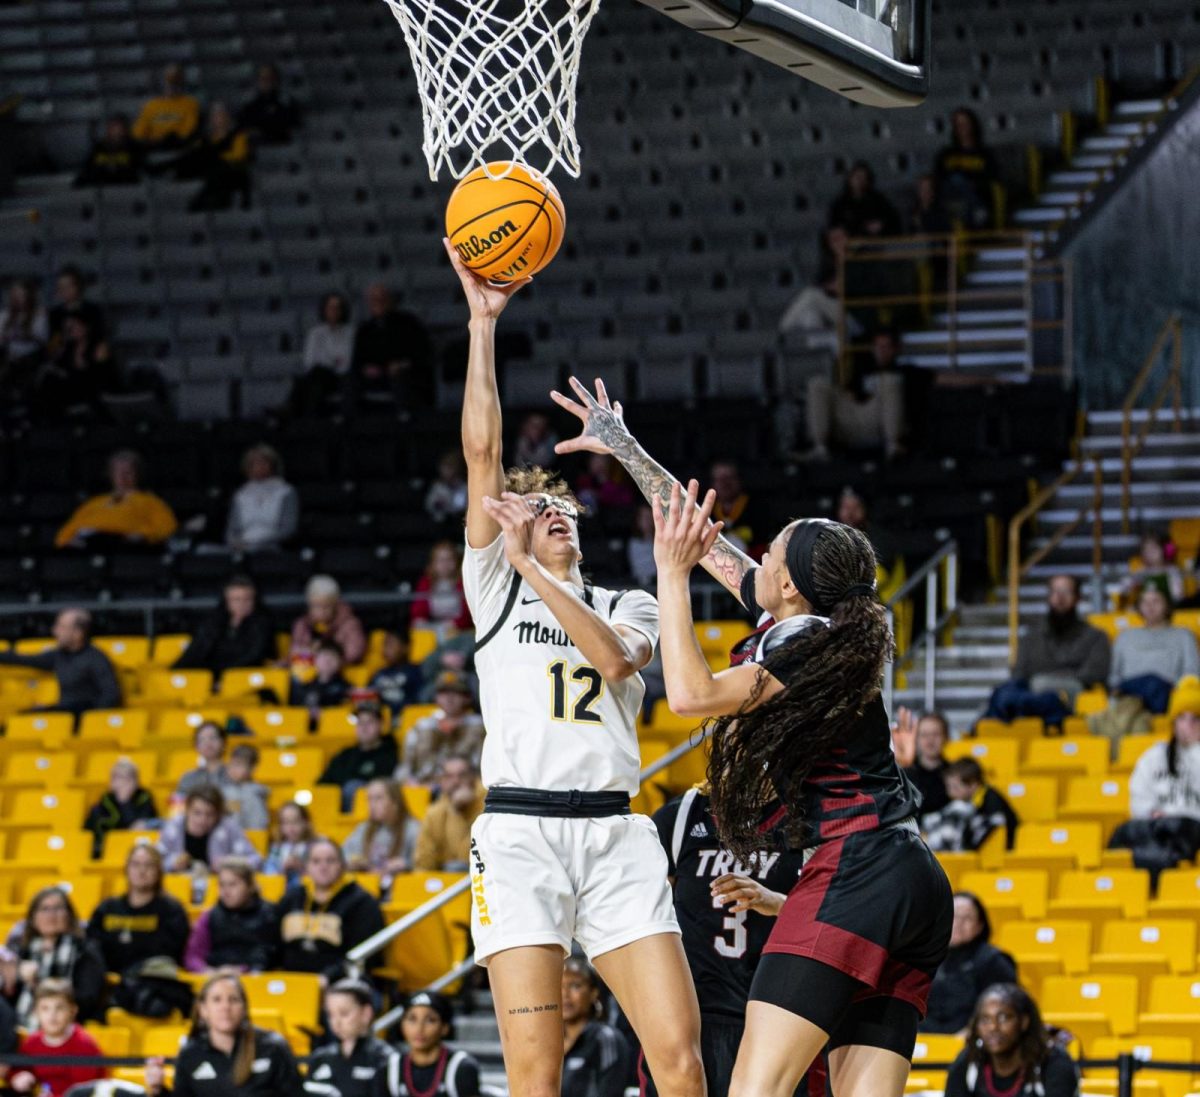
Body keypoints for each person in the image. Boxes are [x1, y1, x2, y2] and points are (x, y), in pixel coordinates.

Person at [550, 377, 953, 1096]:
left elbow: (693, 696)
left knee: (752, 1089)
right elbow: (698, 532)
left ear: (793, 586)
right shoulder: (807, 629)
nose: (755, 555)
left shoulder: (800, 651)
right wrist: (622, 445)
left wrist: (669, 578)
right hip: (911, 879)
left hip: (857, 867)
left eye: (771, 552)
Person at [446, 240, 704, 1097]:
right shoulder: (495, 584)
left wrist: (533, 569)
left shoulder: (631, 600)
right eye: (541, 507)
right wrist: (483, 326)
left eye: (567, 507)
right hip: (519, 836)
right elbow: (482, 457)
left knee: (677, 1055)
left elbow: (616, 654)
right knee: (534, 1071)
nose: (556, 512)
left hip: (615, 832)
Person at [651, 787, 805, 1097]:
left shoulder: (803, 817)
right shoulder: (681, 816)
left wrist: (775, 902)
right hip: (692, 1016)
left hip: (776, 1017)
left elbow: (836, 918)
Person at [143, 973, 304, 1097]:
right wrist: (158, 1090)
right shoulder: (190, 1054)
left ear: (244, 1008)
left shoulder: (273, 1047)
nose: (225, 1007)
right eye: (217, 1000)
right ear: (203, 1010)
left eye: (233, 1000)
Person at [985, 575, 1111, 728]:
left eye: (1066, 592)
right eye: (1054, 592)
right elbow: (1018, 672)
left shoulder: (1095, 636)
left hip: (1074, 691)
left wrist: (1049, 680)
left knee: (1025, 693)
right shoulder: (1031, 636)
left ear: (1078, 598)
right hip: (1031, 693)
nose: (1059, 598)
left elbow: (1094, 674)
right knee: (1003, 693)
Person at [1109, 676, 1200, 878]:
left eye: (1195, 719)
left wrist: (1195, 750)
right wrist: (1151, 814)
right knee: (1122, 833)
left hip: (1192, 826)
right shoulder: (1154, 756)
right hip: (1159, 826)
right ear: (1173, 722)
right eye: (1182, 718)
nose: (1188, 725)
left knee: (1181, 828)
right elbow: (1139, 795)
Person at [276, 839, 385, 984]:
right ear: (306, 867)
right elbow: (271, 942)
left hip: (343, 982)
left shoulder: (363, 902)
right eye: (316, 861)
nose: (323, 867)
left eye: (330, 861)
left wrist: (329, 977)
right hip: (291, 980)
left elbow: (362, 955)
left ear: (342, 865)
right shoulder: (292, 898)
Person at [943, 983, 1079, 1097]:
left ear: (1024, 1022)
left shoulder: (1053, 1061)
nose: (993, 1027)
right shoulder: (969, 1060)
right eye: (985, 1020)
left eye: (1004, 1018)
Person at [8, 887, 106, 1027]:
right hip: (18, 1025)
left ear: (69, 915)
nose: (51, 915)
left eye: (58, 908)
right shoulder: (22, 951)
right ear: (33, 918)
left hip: (67, 1028)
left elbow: (87, 1000)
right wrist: (16, 977)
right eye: (44, 909)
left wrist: (37, 983)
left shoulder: (86, 950)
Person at [922, 893, 1017, 1036]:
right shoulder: (924, 956)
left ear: (979, 925)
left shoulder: (993, 960)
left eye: (967, 918)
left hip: (974, 1040)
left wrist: (973, 1032)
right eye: (953, 915)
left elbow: (1006, 1007)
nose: (958, 923)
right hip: (922, 1040)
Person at [806, 329, 907, 462]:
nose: (881, 350)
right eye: (877, 346)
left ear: (895, 349)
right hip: (852, 419)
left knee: (889, 380)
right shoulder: (862, 368)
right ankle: (820, 447)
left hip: (880, 423)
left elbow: (938, 378)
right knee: (817, 383)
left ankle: (893, 445)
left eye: (886, 346)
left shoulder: (907, 370)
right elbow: (848, 393)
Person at [87, 845, 190, 975]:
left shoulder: (172, 911)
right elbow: (92, 946)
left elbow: (170, 954)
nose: (142, 871)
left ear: (158, 871)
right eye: (135, 864)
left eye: (149, 865)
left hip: (151, 981)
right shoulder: (107, 908)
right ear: (127, 869)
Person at [0, 609, 121, 718]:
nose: (55, 631)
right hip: (63, 713)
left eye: (61, 627)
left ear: (78, 632)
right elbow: (25, 659)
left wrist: (91, 719)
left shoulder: (95, 658)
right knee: (25, 717)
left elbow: (111, 694)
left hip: (84, 715)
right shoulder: (59, 656)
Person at [55, 449, 178, 551]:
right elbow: (64, 534)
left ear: (137, 474)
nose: (122, 476)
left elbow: (167, 528)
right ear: (110, 474)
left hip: (126, 547)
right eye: (117, 471)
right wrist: (69, 541)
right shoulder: (93, 503)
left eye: (128, 472)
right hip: (89, 546)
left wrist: (142, 535)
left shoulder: (151, 502)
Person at [374, 990, 483, 1097]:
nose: (419, 1029)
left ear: (445, 1027)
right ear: (402, 1025)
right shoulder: (389, 1068)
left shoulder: (462, 1067)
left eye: (430, 1020)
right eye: (412, 1019)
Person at [1109, 587, 1199, 715]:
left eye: (1156, 601)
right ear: (1139, 607)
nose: (1150, 606)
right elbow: (1114, 675)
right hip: (1130, 694)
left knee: (1153, 684)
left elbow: (1192, 672)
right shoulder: (1124, 636)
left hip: (1168, 692)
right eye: (1145, 602)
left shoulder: (1184, 635)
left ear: (1167, 605)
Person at [8, 980, 106, 1096]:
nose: (52, 1015)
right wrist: (19, 1076)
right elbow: (17, 1069)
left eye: (59, 1008)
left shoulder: (84, 1045)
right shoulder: (32, 1043)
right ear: (36, 1012)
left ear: (73, 1011)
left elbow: (85, 1090)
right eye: (45, 1008)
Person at [183, 859, 278, 974]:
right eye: (222, 885)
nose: (226, 891)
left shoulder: (269, 913)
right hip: (216, 979)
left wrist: (242, 970)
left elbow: (271, 955)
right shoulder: (210, 916)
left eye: (233, 884)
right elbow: (193, 956)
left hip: (256, 980)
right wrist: (209, 972)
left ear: (250, 886)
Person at [348, 283, 432, 411]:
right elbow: (357, 360)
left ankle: (405, 418)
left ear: (390, 300)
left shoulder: (409, 323)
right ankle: (347, 424)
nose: (378, 302)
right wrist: (366, 368)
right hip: (375, 377)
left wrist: (402, 365)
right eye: (374, 300)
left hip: (404, 374)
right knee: (350, 381)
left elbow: (422, 353)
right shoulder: (365, 329)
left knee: (401, 379)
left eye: (382, 298)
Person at [174, 576, 277, 678]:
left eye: (247, 599)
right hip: (211, 676)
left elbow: (255, 657)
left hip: (244, 676)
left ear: (255, 600)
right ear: (227, 601)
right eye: (236, 599)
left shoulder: (263, 624)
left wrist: (222, 676)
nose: (242, 604)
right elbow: (196, 651)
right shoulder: (213, 622)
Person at [394, 672, 484, 787]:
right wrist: (410, 783)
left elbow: (483, 769)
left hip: (465, 788)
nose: (449, 698)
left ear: (467, 698)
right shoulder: (422, 726)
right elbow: (405, 765)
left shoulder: (479, 726)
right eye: (443, 693)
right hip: (424, 787)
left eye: (456, 693)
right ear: (436, 697)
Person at [304, 979, 392, 1097]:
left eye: (344, 1013)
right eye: (330, 1014)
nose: (336, 1022)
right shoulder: (320, 1058)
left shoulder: (385, 1059)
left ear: (366, 1013)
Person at [560, 958, 634, 1097]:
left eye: (575, 986)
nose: (565, 995)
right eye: (558, 987)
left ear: (593, 992)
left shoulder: (606, 1039)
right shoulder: (549, 1044)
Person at [34, 311, 120, 420]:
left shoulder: (98, 346)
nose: (71, 330)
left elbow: (99, 374)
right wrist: (61, 340)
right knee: (47, 378)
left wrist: (79, 364)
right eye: (68, 328)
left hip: (94, 386)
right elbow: (51, 358)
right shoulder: (69, 347)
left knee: (56, 384)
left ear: (86, 327)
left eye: (74, 326)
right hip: (74, 386)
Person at [922, 758, 1020, 853]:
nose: (950, 793)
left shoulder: (991, 799)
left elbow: (996, 825)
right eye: (948, 787)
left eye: (955, 787)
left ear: (973, 784)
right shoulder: (964, 803)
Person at [317, 700, 400, 811]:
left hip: (371, 809)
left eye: (370, 722)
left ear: (380, 725)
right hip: (338, 810)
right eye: (360, 723)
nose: (364, 727)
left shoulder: (391, 754)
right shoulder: (344, 755)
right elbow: (324, 783)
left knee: (352, 787)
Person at [158, 786, 263, 873]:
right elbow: (154, 863)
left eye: (210, 814)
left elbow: (256, 861)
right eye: (197, 813)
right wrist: (172, 864)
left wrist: (229, 864)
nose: (202, 820)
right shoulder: (174, 827)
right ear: (187, 810)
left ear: (218, 814)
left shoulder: (229, 827)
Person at [341, 778, 420, 889]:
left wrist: (406, 865)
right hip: (366, 890)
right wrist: (353, 863)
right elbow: (344, 856)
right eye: (369, 799)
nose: (372, 805)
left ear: (395, 802)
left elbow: (424, 865)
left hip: (401, 888)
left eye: (378, 798)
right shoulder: (364, 828)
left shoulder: (414, 829)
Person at [413, 755, 486, 872]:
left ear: (473, 778)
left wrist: (456, 812)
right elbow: (423, 862)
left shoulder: (488, 805)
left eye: (462, 775)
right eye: (449, 776)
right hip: (446, 881)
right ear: (441, 781)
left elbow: (466, 859)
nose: (456, 781)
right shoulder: (434, 813)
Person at [934, 108, 1000, 231]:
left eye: (965, 123)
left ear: (973, 125)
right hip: (952, 203)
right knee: (955, 181)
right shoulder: (945, 155)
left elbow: (992, 179)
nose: (962, 127)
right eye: (958, 124)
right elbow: (939, 182)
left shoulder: (984, 154)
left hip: (978, 199)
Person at [225, 444, 299, 553]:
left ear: (272, 465)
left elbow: (288, 529)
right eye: (253, 463)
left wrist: (258, 543)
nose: (258, 467)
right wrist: (234, 542)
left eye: (262, 463)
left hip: (269, 546)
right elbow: (232, 530)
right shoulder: (241, 494)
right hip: (242, 545)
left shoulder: (286, 492)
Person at [179, 103, 252, 212]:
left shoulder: (237, 136)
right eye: (216, 116)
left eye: (222, 115)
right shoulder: (208, 137)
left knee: (219, 173)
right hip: (210, 171)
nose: (219, 119)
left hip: (233, 172)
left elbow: (239, 155)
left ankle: (215, 201)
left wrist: (215, 156)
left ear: (228, 118)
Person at [291, 292, 355, 416]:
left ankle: (291, 408)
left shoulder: (350, 332)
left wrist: (327, 360)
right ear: (324, 310)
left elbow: (347, 359)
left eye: (337, 308)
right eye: (330, 307)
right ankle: (307, 417)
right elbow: (310, 361)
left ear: (342, 310)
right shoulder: (315, 333)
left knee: (313, 379)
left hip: (342, 376)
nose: (334, 311)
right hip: (321, 375)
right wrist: (333, 361)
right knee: (313, 379)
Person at [83, 758, 158, 858]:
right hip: (106, 852)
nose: (120, 782)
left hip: (137, 851)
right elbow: (91, 832)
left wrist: (125, 802)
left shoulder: (144, 798)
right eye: (115, 777)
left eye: (124, 778)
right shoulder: (104, 802)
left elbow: (140, 825)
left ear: (135, 781)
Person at [292, 575, 367, 665]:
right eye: (317, 606)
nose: (321, 611)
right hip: (306, 672)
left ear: (335, 605)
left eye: (326, 607)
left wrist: (327, 657)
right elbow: (294, 652)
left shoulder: (350, 624)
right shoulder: (302, 624)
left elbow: (354, 653)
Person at [131, 63, 200, 151]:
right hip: (154, 148)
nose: (172, 84)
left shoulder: (190, 103)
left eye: (175, 80)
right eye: (168, 80)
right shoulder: (151, 105)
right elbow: (138, 133)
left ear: (181, 81)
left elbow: (187, 131)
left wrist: (168, 138)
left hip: (179, 148)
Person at [896, 708, 951, 816]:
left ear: (946, 737)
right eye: (924, 735)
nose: (930, 740)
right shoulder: (905, 775)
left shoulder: (956, 773)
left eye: (936, 734)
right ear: (915, 738)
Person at [410, 541, 473, 635]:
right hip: (431, 627)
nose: (445, 564)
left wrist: (450, 626)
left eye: (449, 559)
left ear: (456, 561)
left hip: (458, 629)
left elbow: (469, 614)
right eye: (440, 560)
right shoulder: (426, 582)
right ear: (433, 563)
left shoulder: (464, 582)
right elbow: (417, 611)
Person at [826, 161, 901, 238]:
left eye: (864, 177)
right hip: (849, 245)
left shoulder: (878, 200)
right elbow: (833, 228)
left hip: (875, 243)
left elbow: (894, 220)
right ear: (850, 178)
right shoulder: (840, 203)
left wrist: (882, 225)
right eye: (857, 177)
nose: (860, 181)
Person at [237, 62, 300, 145]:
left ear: (277, 81)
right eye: (263, 79)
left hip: (283, 148)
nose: (267, 82)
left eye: (270, 78)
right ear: (258, 81)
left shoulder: (288, 104)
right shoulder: (250, 107)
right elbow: (244, 128)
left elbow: (293, 126)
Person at [47, 265, 107, 350]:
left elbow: (100, 339)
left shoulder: (92, 311)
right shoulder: (55, 313)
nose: (63, 290)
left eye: (67, 286)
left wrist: (83, 332)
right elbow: (52, 346)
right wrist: (63, 334)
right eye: (60, 287)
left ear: (78, 286)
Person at [75, 113, 141, 187]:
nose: (115, 131)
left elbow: (137, 173)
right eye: (112, 127)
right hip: (100, 187)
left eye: (118, 127)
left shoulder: (133, 147)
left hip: (126, 188)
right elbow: (88, 169)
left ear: (125, 129)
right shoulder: (99, 147)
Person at [289, 638, 352, 715]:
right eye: (324, 655)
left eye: (333, 656)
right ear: (315, 660)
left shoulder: (346, 689)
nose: (327, 660)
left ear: (340, 662)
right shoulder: (306, 687)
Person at [0, 277, 49, 376]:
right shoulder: (6, 314)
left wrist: (29, 335)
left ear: (28, 296)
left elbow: (43, 339)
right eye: (14, 295)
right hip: (9, 354)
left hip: (31, 355)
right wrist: (5, 337)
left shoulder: (38, 314)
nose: (17, 299)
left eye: (21, 295)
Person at [1121, 530, 1185, 605]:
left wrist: (1175, 591)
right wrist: (1127, 585)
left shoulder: (1172, 571)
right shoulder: (1142, 572)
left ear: (1165, 551)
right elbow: (1125, 588)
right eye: (1145, 550)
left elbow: (1178, 597)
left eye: (1153, 549)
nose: (1149, 553)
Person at [708, 461, 759, 554]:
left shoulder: (757, 508)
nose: (724, 484)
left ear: (739, 479)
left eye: (729, 478)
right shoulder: (708, 511)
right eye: (720, 479)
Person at [367, 631, 424, 714]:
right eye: (385, 644)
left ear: (405, 647)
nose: (387, 648)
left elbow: (419, 699)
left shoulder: (414, 672)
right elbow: (369, 695)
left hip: (403, 716)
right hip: (380, 717)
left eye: (391, 644)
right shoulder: (378, 674)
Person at [219, 744, 271, 832]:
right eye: (231, 764)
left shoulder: (255, 794)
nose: (233, 768)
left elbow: (259, 823)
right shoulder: (224, 791)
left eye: (239, 765)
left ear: (252, 769)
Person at [174, 721, 230, 799]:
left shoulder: (236, 775)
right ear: (196, 747)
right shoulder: (188, 778)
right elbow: (178, 807)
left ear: (224, 742)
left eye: (213, 738)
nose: (208, 743)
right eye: (202, 739)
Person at [264, 801, 315, 883]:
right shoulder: (276, 849)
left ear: (306, 823)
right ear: (280, 826)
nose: (291, 827)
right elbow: (269, 876)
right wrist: (283, 869)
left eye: (296, 821)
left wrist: (301, 868)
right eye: (286, 823)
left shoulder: (315, 847)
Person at [424, 450, 469, 525]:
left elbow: (462, 506)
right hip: (439, 522)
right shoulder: (437, 486)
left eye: (450, 468)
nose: (446, 471)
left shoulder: (463, 487)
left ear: (457, 469)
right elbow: (429, 505)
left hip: (458, 522)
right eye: (443, 468)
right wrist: (437, 504)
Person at [627, 504, 657, 590]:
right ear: (638, 520)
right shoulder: (633, 543)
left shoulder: (660, 540)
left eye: (649, 517)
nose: (647, 521)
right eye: (644, 518)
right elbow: (638, 569)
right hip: (639, 585)